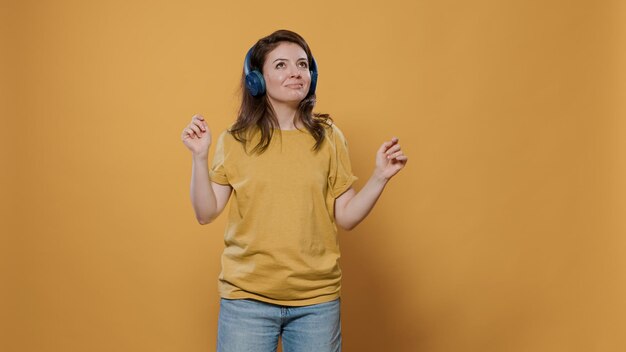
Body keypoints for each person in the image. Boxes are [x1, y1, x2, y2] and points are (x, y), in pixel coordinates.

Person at [180, 29, 407, 352]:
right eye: (282, 65)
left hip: (317, 302)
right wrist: (199, 157)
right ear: (256, 80)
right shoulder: (235, 140)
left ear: (312, 76)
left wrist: (380, 176)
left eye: (302, 64)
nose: (295, 72)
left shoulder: (329, 137)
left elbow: (346, 216)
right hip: (247, 299)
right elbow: (205, 213)